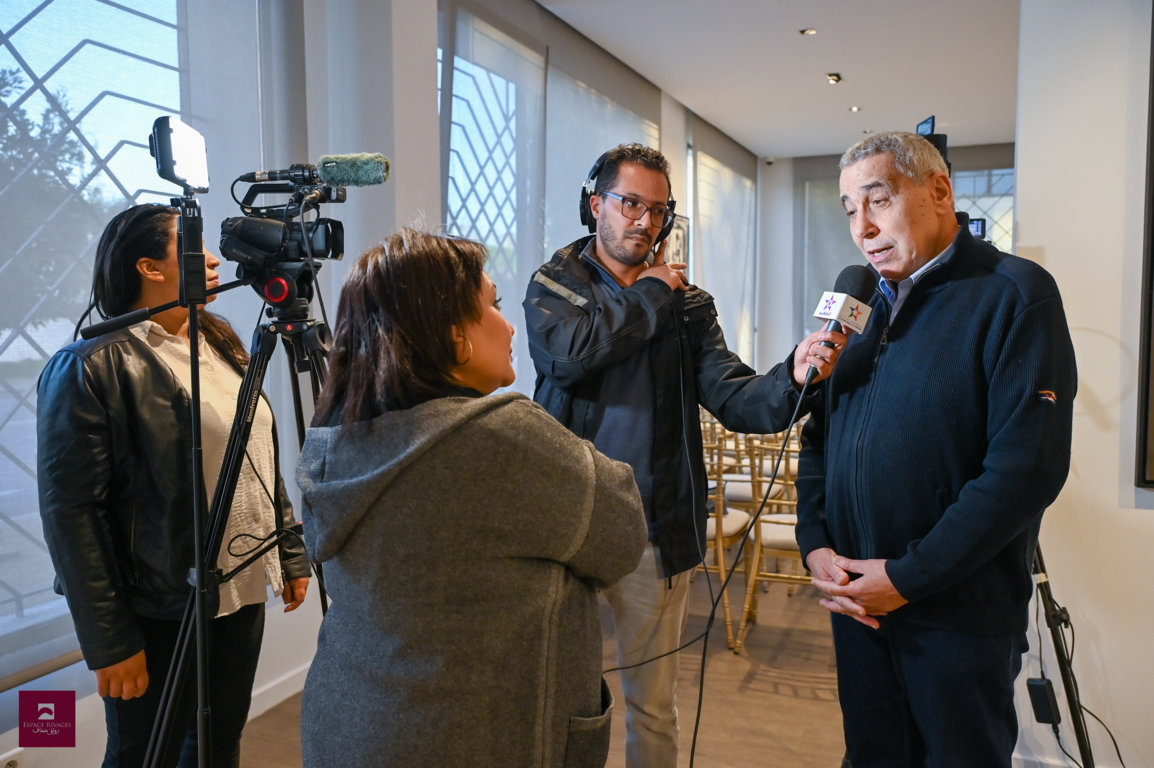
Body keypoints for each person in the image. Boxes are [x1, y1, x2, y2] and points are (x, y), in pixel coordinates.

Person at [523, 143, 846, 767]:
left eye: (658, 210)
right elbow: (569, 357)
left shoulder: (688, 305)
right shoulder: (556, 284)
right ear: (595, 205)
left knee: (653, 708)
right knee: (556, 702)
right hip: (568, 532)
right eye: (630, 204)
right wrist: (650, 291)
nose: (645, 222)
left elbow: (735, 397)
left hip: (655, 532)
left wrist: (793, 376)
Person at [296, 228, 648, 768]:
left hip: (351, 725)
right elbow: (622, 531)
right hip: (476, 737)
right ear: (454, 335)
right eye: (494, 306)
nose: (510, 325)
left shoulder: (333, 445)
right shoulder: (503, 435)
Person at [796, 131, 1077, 767]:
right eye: (849, 209)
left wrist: (906, 577)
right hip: (858, 607)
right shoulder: (859, 306)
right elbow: (819, 438)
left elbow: (1025, 470)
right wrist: (815, 544)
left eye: (879, 200)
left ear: (939, 191)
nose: (863, 228)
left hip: (958, 618)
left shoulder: (1015, 294)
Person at [36, 203, 311, 767]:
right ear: (149, 267)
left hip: (239, 587)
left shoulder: (219, 344)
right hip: (159, 604)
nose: (213, 260)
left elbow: (253, 453)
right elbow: (71, 513)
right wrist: (109, 640)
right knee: (145, 755)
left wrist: (288, 549)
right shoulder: (92, 364)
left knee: (217, 745)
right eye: (194, 247)